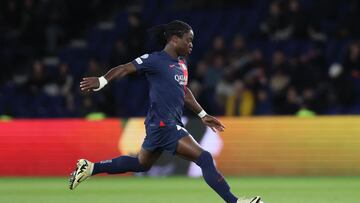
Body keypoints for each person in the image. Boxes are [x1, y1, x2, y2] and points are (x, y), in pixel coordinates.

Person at [69, 20, 262, 203]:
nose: (191, 44)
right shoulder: (154, 60)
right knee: (204, 158)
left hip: (162, 125)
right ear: (174, 39)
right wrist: (102, 81)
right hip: (164, 124)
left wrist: (203, 115)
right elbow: (125, 68)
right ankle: (234, 201)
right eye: (189, 39)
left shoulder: (182, 65)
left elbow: (184, 92)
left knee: (141, 164)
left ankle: (90, 168)